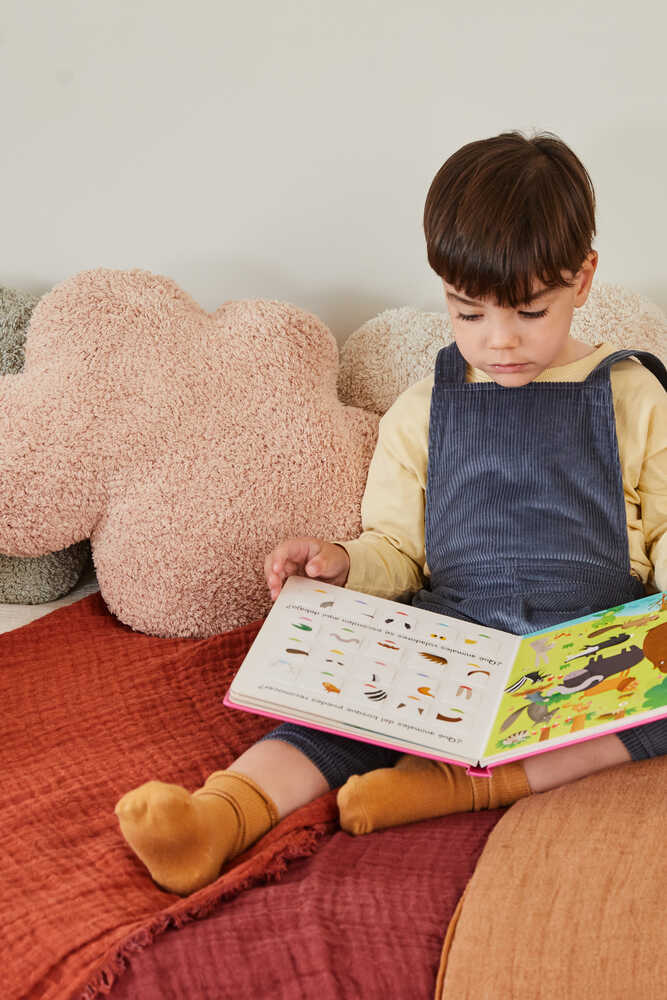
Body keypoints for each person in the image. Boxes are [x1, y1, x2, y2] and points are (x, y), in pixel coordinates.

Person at [115, 131, 667, 896]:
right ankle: (220, 814)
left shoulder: (632, 394)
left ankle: (462, 786)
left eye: (528, 311)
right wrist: (342, 562)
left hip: (590, 639)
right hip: (456, 631)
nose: (498, 341)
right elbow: (397, 550)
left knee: (651, 707)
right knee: (338, 708)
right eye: (467, 312)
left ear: (583, 279)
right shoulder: (422, 409)